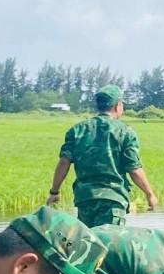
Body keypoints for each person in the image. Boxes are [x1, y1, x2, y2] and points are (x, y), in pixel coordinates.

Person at [47, 86, 158, 226]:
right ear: (118, 106)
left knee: (88, 243)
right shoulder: (125, 132)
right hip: (113, 200)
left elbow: (64, 162)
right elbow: (134, 169)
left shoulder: (77, 130)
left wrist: (54, 192)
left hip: (85, 199)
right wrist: (150, 194)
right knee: (109, 244)